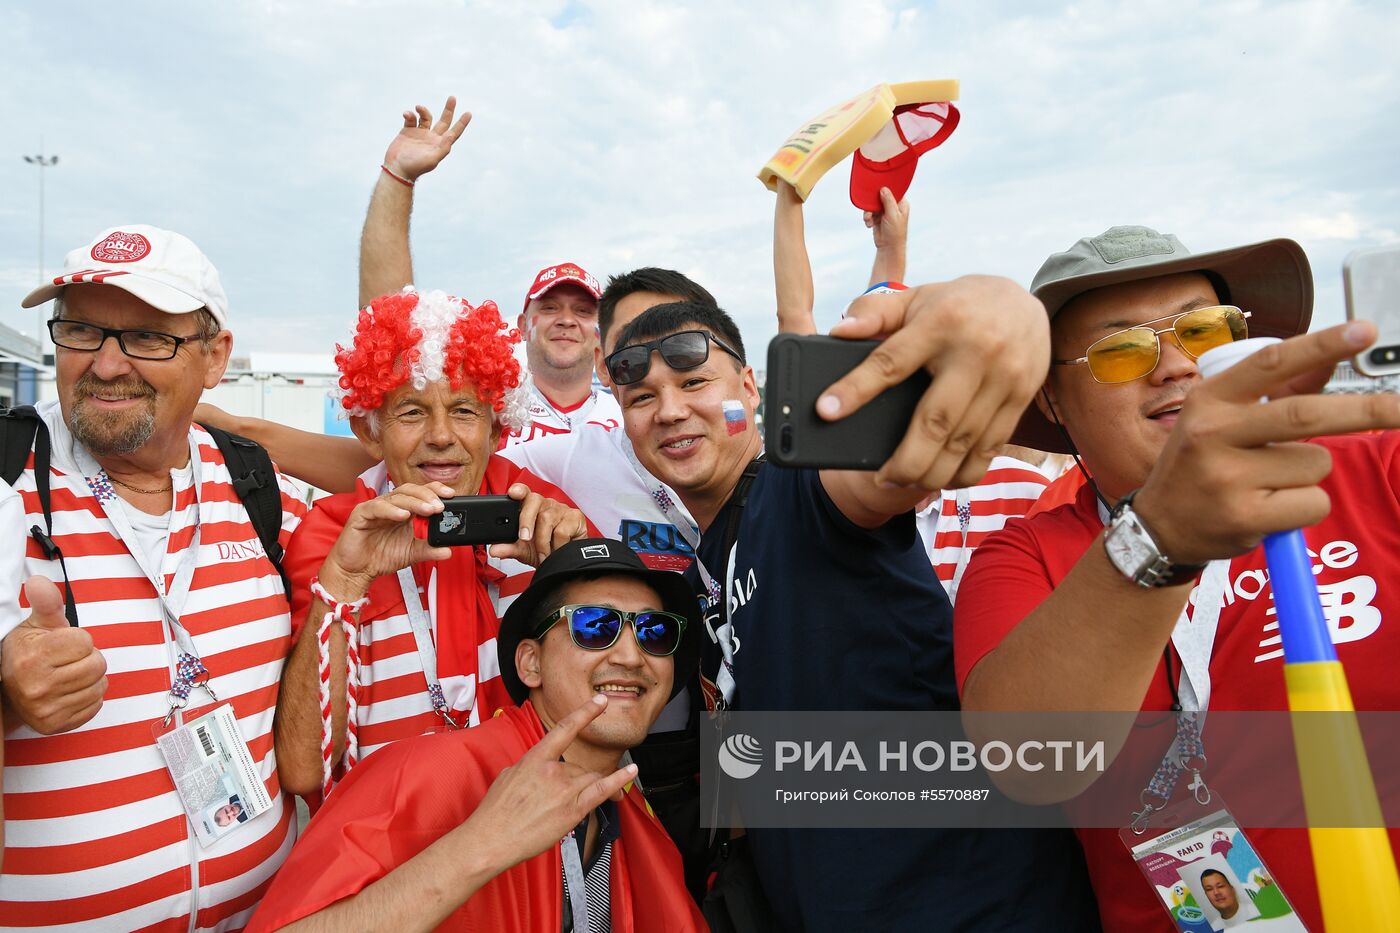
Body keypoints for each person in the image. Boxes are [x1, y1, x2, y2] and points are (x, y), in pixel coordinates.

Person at [607, 292, 1101, 929]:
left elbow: (881, 469)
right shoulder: (704, 563)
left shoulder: (797, 482)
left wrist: (989, 323)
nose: (670, 411)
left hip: (974, 902)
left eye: (695, 382)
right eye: (641, 398)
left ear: (751, 388)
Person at [954, 225, 1400, 930]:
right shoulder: (1026, 553)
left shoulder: (1376, 466)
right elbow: (1029, 760)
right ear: (1051, 401)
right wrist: (1157, 539)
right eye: (1122, 349)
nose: (1175, 365)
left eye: (1203, 328)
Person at [0, 225, 307, 929]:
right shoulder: (5, 478)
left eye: (146, 337)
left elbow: (407, 475)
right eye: (81, 331)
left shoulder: (258, 484)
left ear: (216, 356)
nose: (106, 365)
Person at [245, 538, 705, 932]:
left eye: (654, 632)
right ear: (531, 663)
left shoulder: (644, 829)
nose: (630, 654)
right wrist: (484, 843)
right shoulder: (424, 773)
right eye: (595, 627)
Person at [275, 288, 591, 799]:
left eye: (465, 411)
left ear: (498, 428)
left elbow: (612, 701)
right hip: (388, 846)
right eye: (412, 412)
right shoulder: (331, 533)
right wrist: (345, 583)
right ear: (370, 431)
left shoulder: (545, 513)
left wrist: (574, 576)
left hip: (535, 834)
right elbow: (304, 769)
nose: (442, 435)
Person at [357, 96, 618, 446]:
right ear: (522, 326)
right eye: (550, 308)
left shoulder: (632, 421)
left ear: (600, 335)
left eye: (584, 311)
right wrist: (398, 177)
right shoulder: (479, 414)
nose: (567, 320)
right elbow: (389, 328)